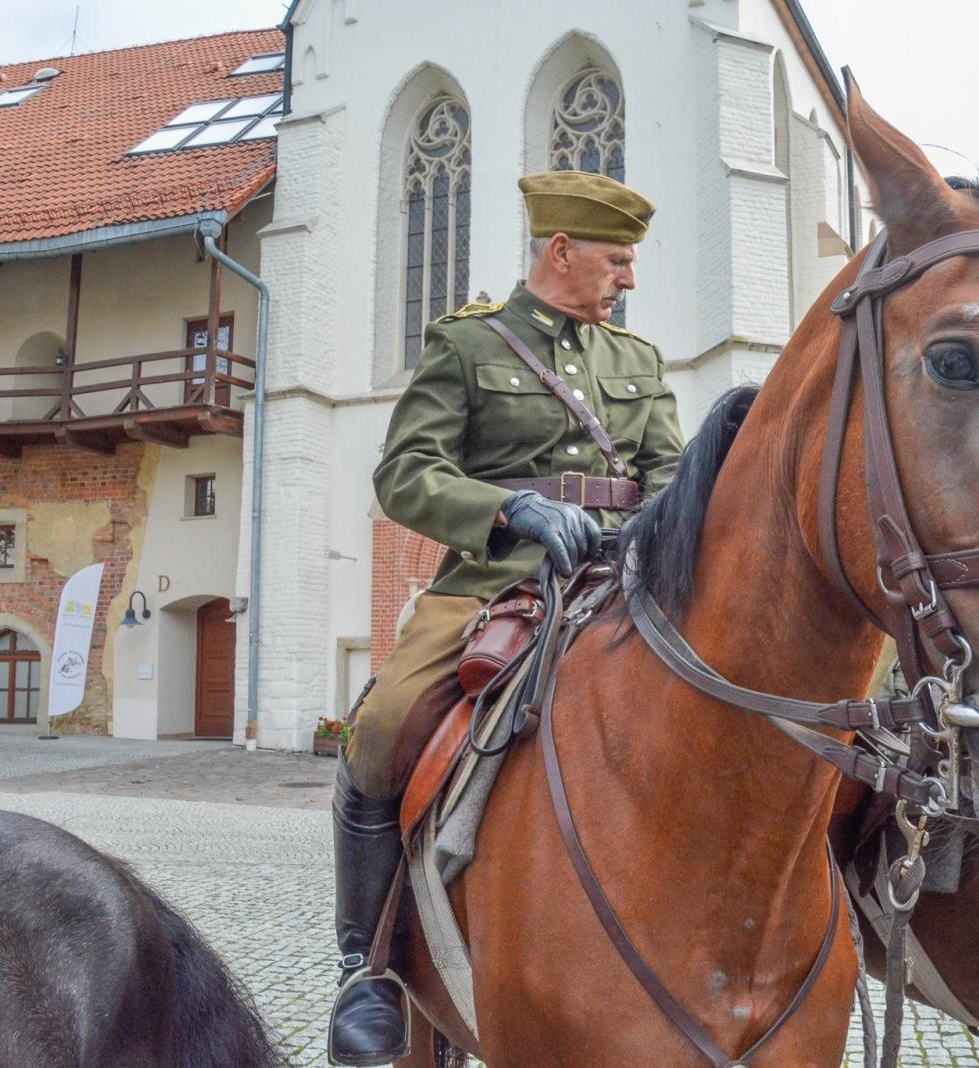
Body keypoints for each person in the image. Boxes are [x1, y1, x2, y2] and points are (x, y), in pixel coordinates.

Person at [328, 170, 684, 1066]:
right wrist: (506, 510)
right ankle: (367, 968)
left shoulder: (637, 364)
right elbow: (403, 473)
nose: (629, 279)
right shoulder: (469, 346)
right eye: (617, 259)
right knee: (380, 727)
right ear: (561, 252)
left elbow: (673, 471)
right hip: (493, 581)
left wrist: (654, 529)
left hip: (625, 577)